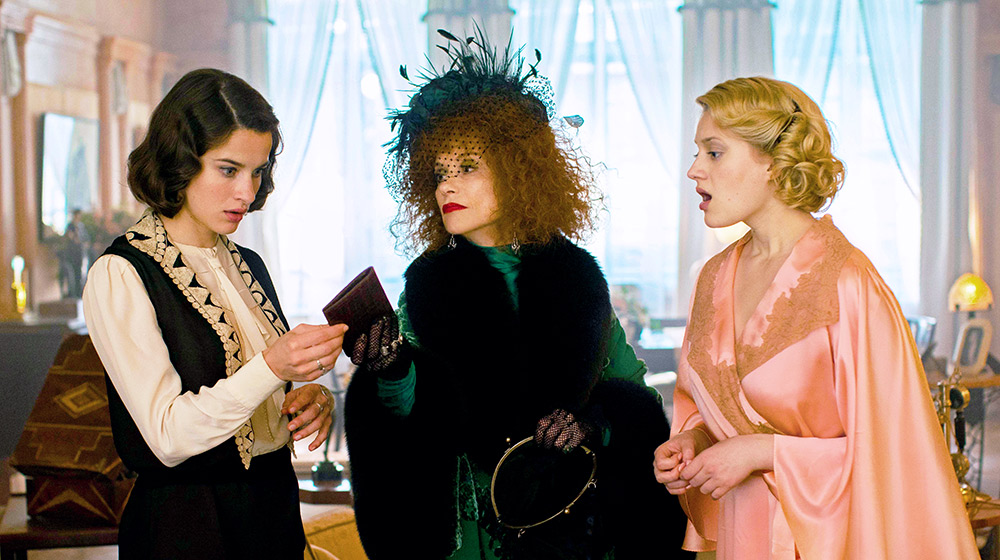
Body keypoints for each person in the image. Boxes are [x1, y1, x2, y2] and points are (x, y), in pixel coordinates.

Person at [343, 30, 691, 560]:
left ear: (519, 170)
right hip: (470, 530)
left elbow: (633, 402)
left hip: (570, 525)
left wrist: (590, 424)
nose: (446, 187)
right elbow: (413, 420)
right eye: (438, 173)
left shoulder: (577, 278)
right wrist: (389, 370)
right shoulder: (429, 285)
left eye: (467, 167)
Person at [653, 76, 978, 559]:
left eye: (714, 152)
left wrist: (762, 452)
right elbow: (711, 407)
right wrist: (693, 441)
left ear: (774, 161)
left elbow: (895, 459)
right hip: (744, 539)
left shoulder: (849, 284)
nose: (694, 169)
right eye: (697, 152)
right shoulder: (713, 278)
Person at [82, 68, 347, 559]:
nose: (247, 192)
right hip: (188, 528)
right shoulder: (121, 273)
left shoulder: (250, 265)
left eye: (258, 171)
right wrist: (271, 367)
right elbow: (166, 437)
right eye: (229, 170)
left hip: (273, 513)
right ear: (179, 162)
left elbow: (257, 403)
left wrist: (307, 400)